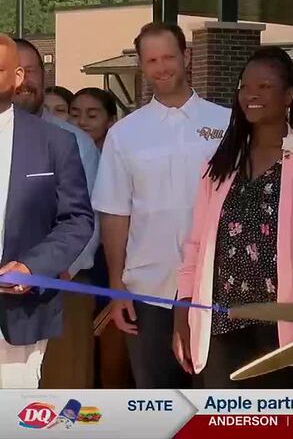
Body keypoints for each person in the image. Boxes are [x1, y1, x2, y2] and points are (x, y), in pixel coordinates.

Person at [175, 46, 293, 389]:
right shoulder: (220, 164)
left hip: (287, 327)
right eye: (244, 87)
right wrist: (183, 312)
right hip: (220, 323)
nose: (251, 95)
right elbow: (195, 246)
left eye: (264, 87)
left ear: (289, 96)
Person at [92, 22, 230, 389]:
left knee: (216, 403)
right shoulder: (124, 133)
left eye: (169, 57)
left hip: (215, 290)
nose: (162, 67)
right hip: (148, 292)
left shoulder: (227, 123)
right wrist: (116, 285)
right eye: (152, 60)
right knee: (157, 405)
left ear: (187, 56)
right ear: (141, 65)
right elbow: (114, 213)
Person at [0, 34, 94, 388]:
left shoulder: (55, 143)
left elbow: (77, 221)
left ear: (18, 77)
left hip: (17, 314)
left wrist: (32, 267)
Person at [69, 86, 130, 388]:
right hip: (79, 267)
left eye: (92, 114)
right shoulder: (65, 155)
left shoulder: (121, 158)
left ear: (110, 119)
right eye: (75, 114)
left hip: (115, 266)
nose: (82, 121)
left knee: (112, 360)